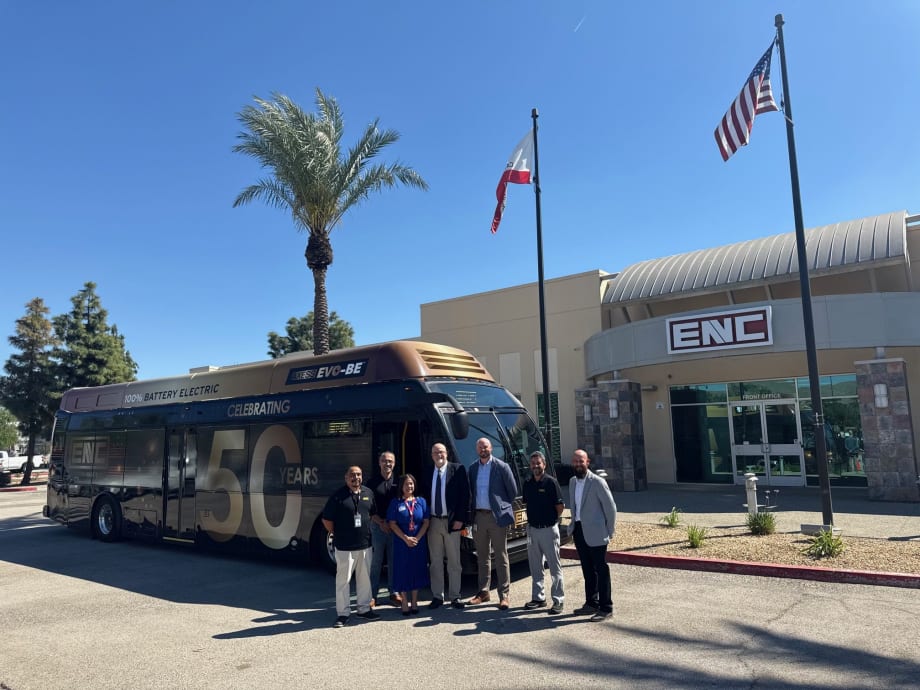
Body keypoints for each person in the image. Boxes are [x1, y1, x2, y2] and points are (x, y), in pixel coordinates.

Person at [322, 465, 381, 628]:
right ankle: (343, 614)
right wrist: (339, 533)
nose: (356, 478)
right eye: (352, 475)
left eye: (359, 475)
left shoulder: (368, 493)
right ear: (346, 478)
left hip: (365, 545)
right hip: (344, 547)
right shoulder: (338, 496)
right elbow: (326, 520)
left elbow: (373, 513)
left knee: (364, 580)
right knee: (343, 581)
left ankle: (363, 609)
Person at [466, 437, 517, 610]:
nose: (483, 449)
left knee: (501, 556)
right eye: (480, 447)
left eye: (486, 446)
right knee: (482, 556)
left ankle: (504, 595)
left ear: (491, 448)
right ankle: (483, 592)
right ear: (476, 449)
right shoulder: (472, 468)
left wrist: (501, 509)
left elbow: (512, 491)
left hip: (496, 517)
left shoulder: (502, 467)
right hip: (479, 517)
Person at [567, 449, 617, 622]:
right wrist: (572, 526)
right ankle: (591, 603)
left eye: (581, 461)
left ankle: (606, 607)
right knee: (587, 569)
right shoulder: (572, 482)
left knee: (601, 569)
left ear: (587, 462)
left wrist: (609, 531)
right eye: (575, 461)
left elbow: (610, 509)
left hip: (597, 532)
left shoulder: (597, 482)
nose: (578, 464)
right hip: (579, 530)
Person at [423, 442, 470, 610]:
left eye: (441, 452)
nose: (439, 455)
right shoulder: (428, 472)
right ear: (432, 455)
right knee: (435, 561)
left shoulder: (457, 470)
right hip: (433, 522)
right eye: (435, 452)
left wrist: (461, 519)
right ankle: (437, 596)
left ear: (447, 453)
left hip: (452, 522)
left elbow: (465, 496)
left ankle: (455, 597)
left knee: (454, 561)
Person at [521, 451, 565, 614]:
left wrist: (549, 520)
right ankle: (538, 598)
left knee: (554, 566)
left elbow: (560, 508)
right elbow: (527, 505)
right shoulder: (527, 483)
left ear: (544, 465)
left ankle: (558, 600)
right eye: (533, 464)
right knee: (535, 566)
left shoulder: (551, 483)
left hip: (548, 530)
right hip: (533, 530)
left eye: (538, 463)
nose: (535, 466)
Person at [387, 473, 430, 615]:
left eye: (411, 483)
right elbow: (392, 524)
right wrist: (406, 538)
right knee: (403, 570)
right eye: (406, 484)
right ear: (401, 486)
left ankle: (415, 601)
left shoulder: (421, 501)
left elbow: (426, 521)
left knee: (416, 569)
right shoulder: (396, 503)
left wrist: (417, 538)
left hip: (418, 542)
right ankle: (404, 601)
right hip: (401, 542)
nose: (409, 486)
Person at [368, 451, 401, 607]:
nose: (387, 464)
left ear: (394, 463)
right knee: (376, 562)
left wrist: (393, 523)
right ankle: (372, 595)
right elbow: (368, 508)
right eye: (384, 461)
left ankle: (394, 593)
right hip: (377, 526)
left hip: (395, 527)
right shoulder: (371, 482)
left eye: (390, 461)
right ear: (379, 463)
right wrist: (381, 523)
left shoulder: (399, 482)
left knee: (394, 561)